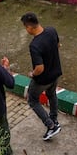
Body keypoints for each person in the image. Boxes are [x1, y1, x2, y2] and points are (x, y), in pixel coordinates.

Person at [21, 11, 63, 141]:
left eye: (25, 27)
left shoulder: (35, 45)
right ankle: (54, 119)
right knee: (52, 95)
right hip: (55, 74)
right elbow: (58, 46)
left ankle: (50, 125)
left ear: (29, 27)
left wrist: (32, 73)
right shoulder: (51, 30)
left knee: (32, 100)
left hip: (42, 80)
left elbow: (40, 68)